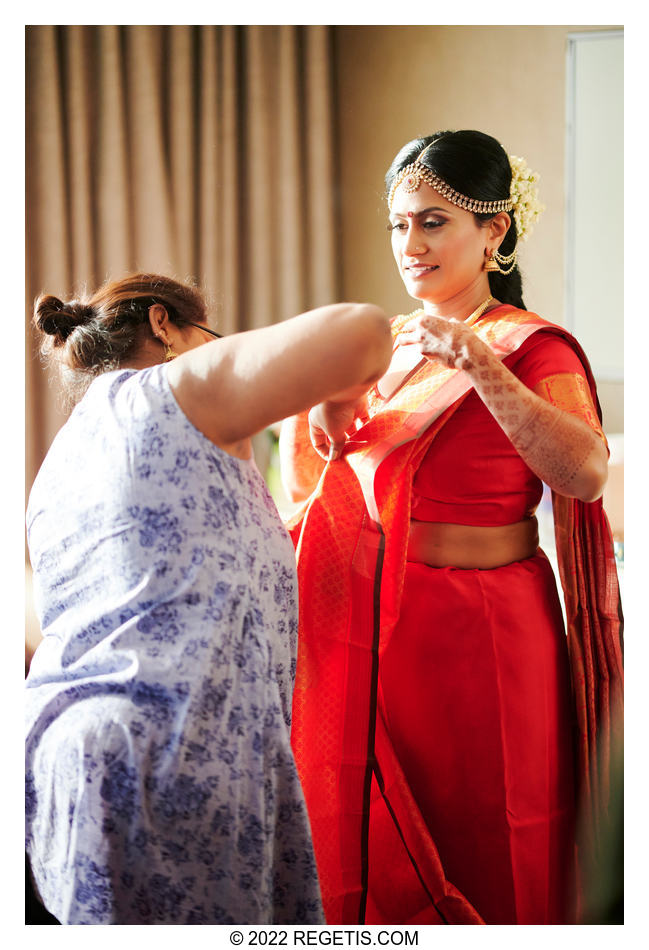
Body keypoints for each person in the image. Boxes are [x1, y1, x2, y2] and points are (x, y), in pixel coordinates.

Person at [279, 130, 624, 925]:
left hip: (486, 637)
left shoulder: (531, 347)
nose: (410, 244)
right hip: (379, 630)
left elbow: (582, 472)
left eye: (434, 222)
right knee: (389, 837)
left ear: (493, 230)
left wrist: (479, 363)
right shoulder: (386, 346)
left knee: (492, 836)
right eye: (399, 224)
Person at [25, 272, 392, 925]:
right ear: (163, 325)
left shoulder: (61, 462)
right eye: (210, 338)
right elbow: (364, 331)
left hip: (70, 770)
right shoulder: (173, 388)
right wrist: (336, 396)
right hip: (175, 764)